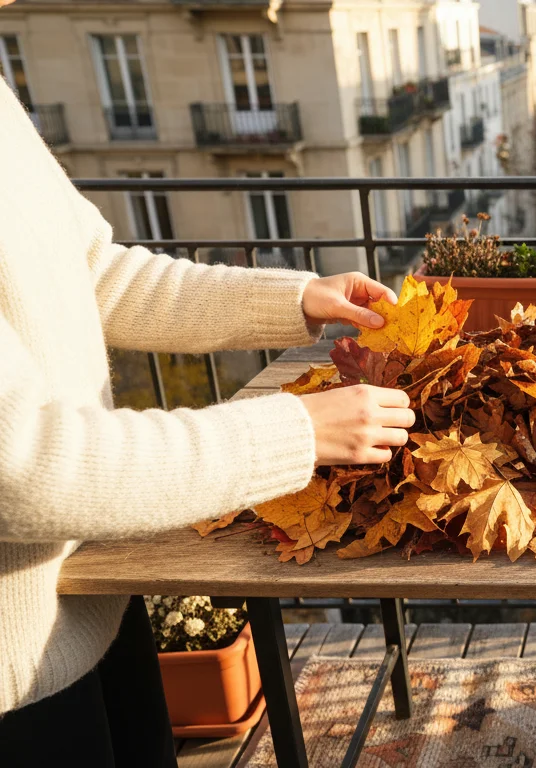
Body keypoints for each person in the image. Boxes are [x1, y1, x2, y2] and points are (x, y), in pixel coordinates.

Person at [0, 63, 416, 764]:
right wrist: (299, 429)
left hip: (86, 607)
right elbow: (23, 468)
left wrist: (294, 298)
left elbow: (94, 270)